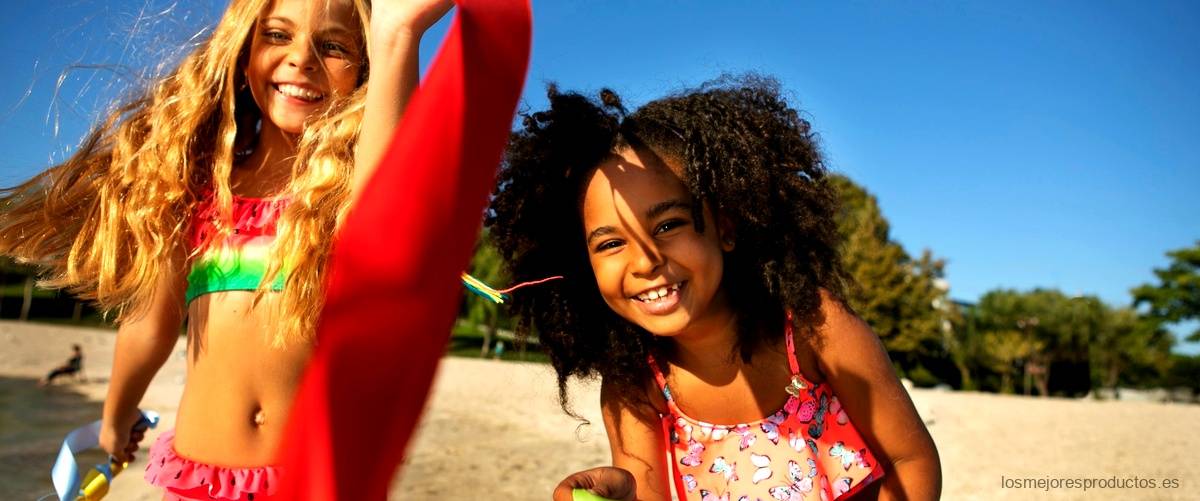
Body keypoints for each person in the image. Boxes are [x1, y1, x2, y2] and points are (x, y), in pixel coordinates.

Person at [0, 0, 453, 499]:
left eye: (333, 46)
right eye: (278, 35)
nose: (302, 58)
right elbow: (149, 323)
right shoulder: (196, 192)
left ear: (364, 67)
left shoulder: (345, 193)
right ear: (243, 50)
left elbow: (388, 209)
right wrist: (116, 417)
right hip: (200, 478)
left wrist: (397, 34)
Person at [487, 76, 942, 500]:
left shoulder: (813, 328)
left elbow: (911, 459)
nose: (645, 260)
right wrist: (615, 491)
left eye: (668, 224)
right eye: (610, 243)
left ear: (724, 227)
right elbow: (644, 492)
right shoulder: (636, 385)